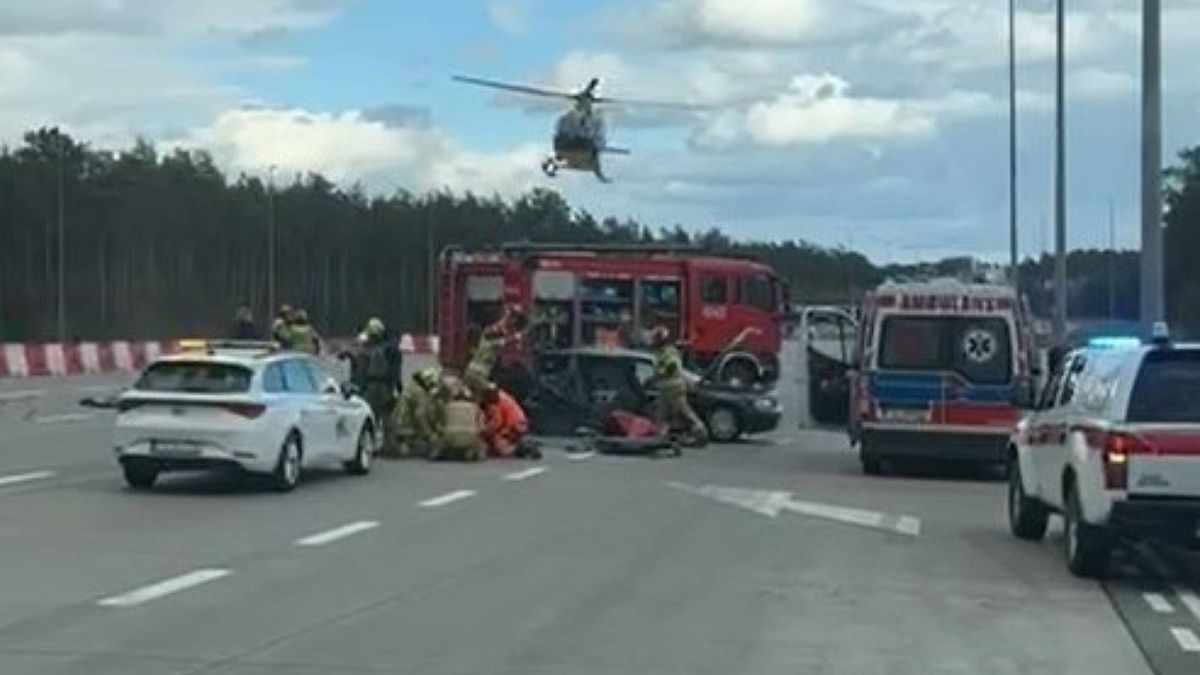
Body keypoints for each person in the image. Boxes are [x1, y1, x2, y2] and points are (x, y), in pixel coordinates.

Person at [651, 326, 707, 444]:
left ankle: (701, 432)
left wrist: (660, 373)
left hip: (673, 387)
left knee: (684, 411)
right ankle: (660, 437)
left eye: (655, 338)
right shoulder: (661, 352)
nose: (653, 341)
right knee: (661, 414)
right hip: (665, 388)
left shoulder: (669, 351)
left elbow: (672, 366)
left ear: (661, 339)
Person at [357, 317, 403, 457]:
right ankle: (389, 447)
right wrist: (397, 387)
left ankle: (366, 446)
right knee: (387, 417)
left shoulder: (369, 348)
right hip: (386, 387)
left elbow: (362, 370)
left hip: (373, 387)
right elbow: (395, 372)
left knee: (369, 417)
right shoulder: (390, 350)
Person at [464, 306, 528, 391]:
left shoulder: (499, 331)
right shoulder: (493, 333)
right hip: (478, 374)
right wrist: (514, 337)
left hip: (481, 373)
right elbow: (501, 341)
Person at [394, 367, 444, 458]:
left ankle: (403, 445)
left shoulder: (412, 385)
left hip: (399, 419)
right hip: (406, 423)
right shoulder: (420, 393)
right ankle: (405, 446)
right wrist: (429, 434)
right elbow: (420, 415)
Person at [479, 384, 537, 459]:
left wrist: (483, 431)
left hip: (514, 426)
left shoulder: (495, 402)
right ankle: (518, 445)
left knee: (500, 448)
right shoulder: (500, 396)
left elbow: (496, 423)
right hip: (519, 424)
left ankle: (522, 448)